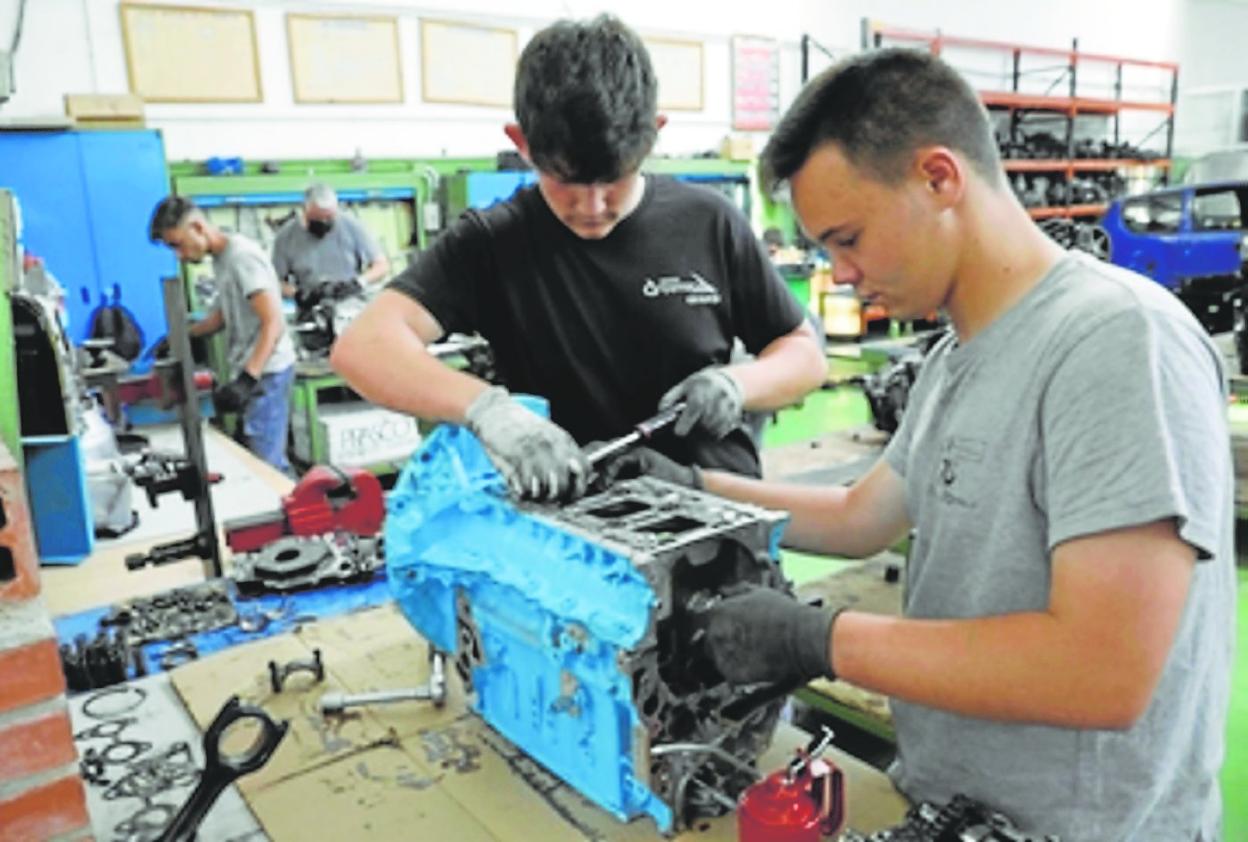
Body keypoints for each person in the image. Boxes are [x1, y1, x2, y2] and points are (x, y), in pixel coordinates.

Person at [608, 49, 1235, 840]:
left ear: (940, 177)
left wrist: (817, 639)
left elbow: (1102, 669)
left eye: (848, 238)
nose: (838, 276)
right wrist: (690, 489)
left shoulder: (1117, 342)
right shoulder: (955, 356)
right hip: (951, 808)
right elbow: (858, 515)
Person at [330, 15, 825, 502]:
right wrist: (487, 409)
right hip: (577, 537)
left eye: (615, 178)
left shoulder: (709, 222)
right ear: (520, 144)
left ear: (653, 135)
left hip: (717, 517)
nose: (592, 207)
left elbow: (803, 352)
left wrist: (737, 383)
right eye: (566, 181)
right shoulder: (492, 243)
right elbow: (363, 349)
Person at [149, 196, 297, 473]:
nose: (179, 256)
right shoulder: (222, 259)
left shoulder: (242, 258)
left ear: (197, 227)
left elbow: (273, 322)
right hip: (255, 370)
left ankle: (295, 512)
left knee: (265, 465)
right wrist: (181, 337)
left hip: (268, 372)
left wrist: (247, 379)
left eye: (177, 245)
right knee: (259, 456)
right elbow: (221, 316)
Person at [272, 183, 390, 305]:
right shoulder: (286, 236)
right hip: (311, 311)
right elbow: (273, 282)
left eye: (329, 218)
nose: (324, 222)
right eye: (318, 219)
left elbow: (381, 266)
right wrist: (297, 294)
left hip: (352, 307)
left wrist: (358, 283)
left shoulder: (352, 226)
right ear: (304, 210)